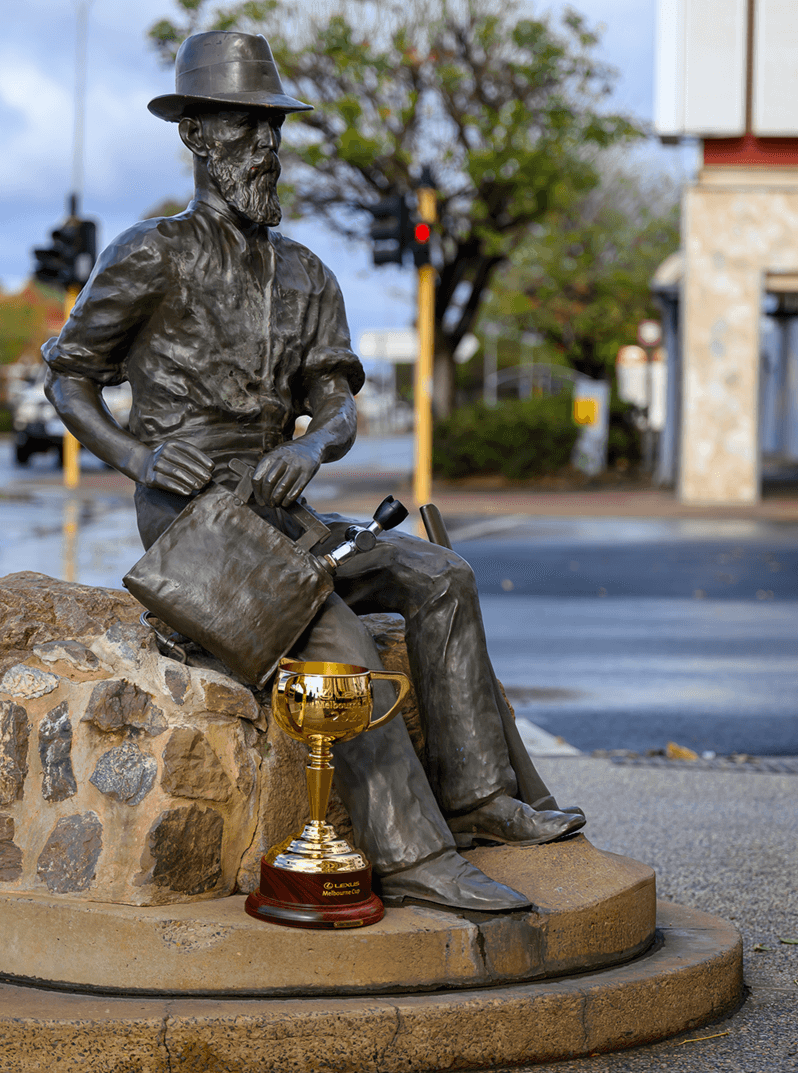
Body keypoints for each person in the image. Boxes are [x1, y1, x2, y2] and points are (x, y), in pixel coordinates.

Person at [43, 30, 581, 912]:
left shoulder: (307, 273)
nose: (266, 147)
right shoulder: (150, 254)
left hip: (281, 508)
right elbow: (68, 379)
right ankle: (412, 854)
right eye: (245, 126)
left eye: (273, 128)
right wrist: (140, 457)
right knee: (336, 638)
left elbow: (338, 405)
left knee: (441, 575)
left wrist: (307, 447)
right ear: (196, 136)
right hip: (193, 524)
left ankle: (482, 799)